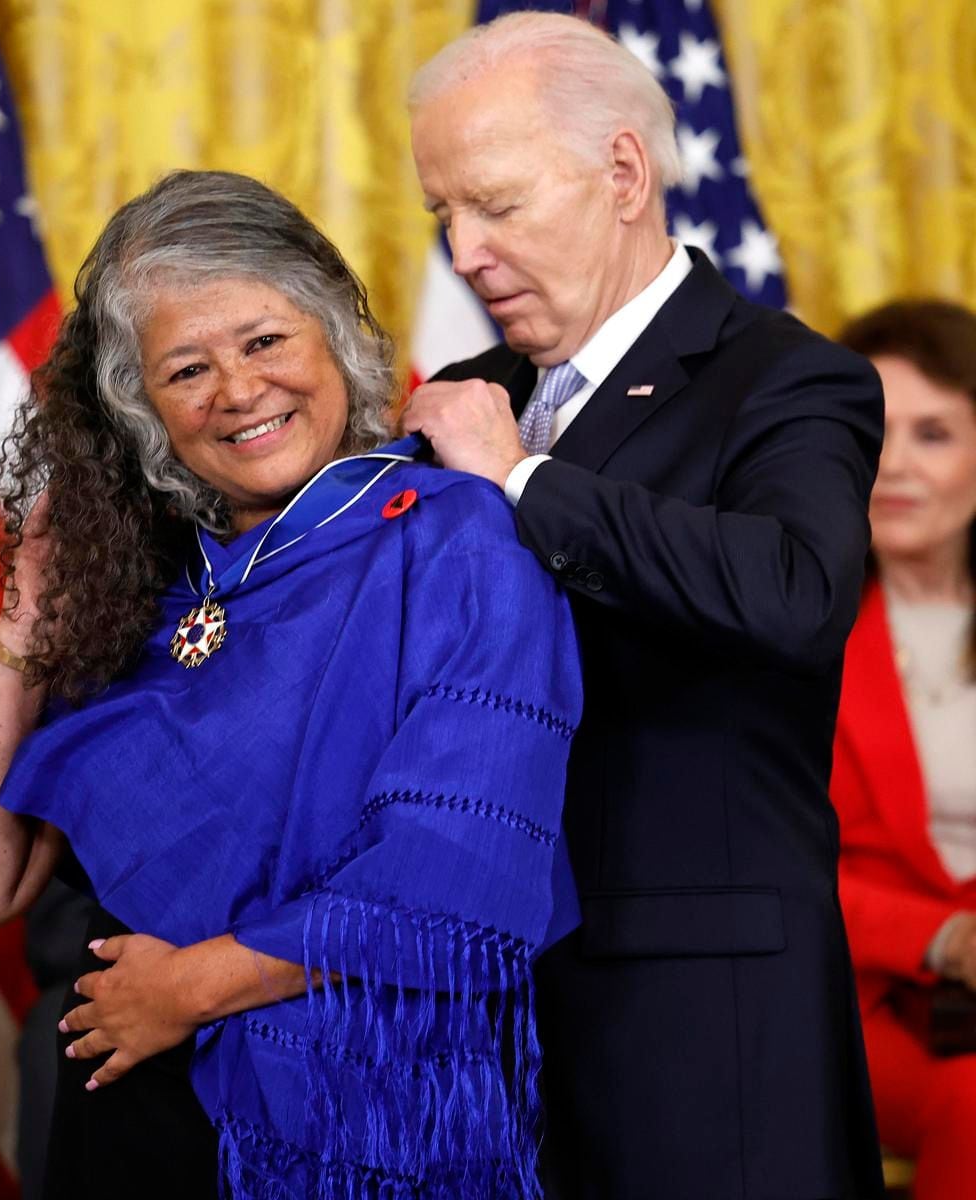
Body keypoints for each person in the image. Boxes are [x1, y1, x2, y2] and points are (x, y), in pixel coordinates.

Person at [0, 169, 583, 1200]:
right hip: (126, 1111)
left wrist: (185, 987)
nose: (236, 390)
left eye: (265, 342)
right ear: (145, 413)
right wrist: (24, 624)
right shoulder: (136, 583)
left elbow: (456, 885)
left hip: (361, 1120)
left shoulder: (456, 537)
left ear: (336, 338)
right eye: (186, 369)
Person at [400, 12, 885, 1199]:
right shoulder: (465, 399)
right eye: (443, 218)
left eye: (496, 206)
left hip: (695, 1022)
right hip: (475, 1020)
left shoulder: (785, 377)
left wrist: (520, 481)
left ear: (623, 172)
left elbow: (795, 587)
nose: (464, 254)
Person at [831, 300, 976, 1200]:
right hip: (863, 995)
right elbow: (777, 858)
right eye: (875, 429)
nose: (896, 467)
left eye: (934, 433)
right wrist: (945, 938)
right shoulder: (797, 628)